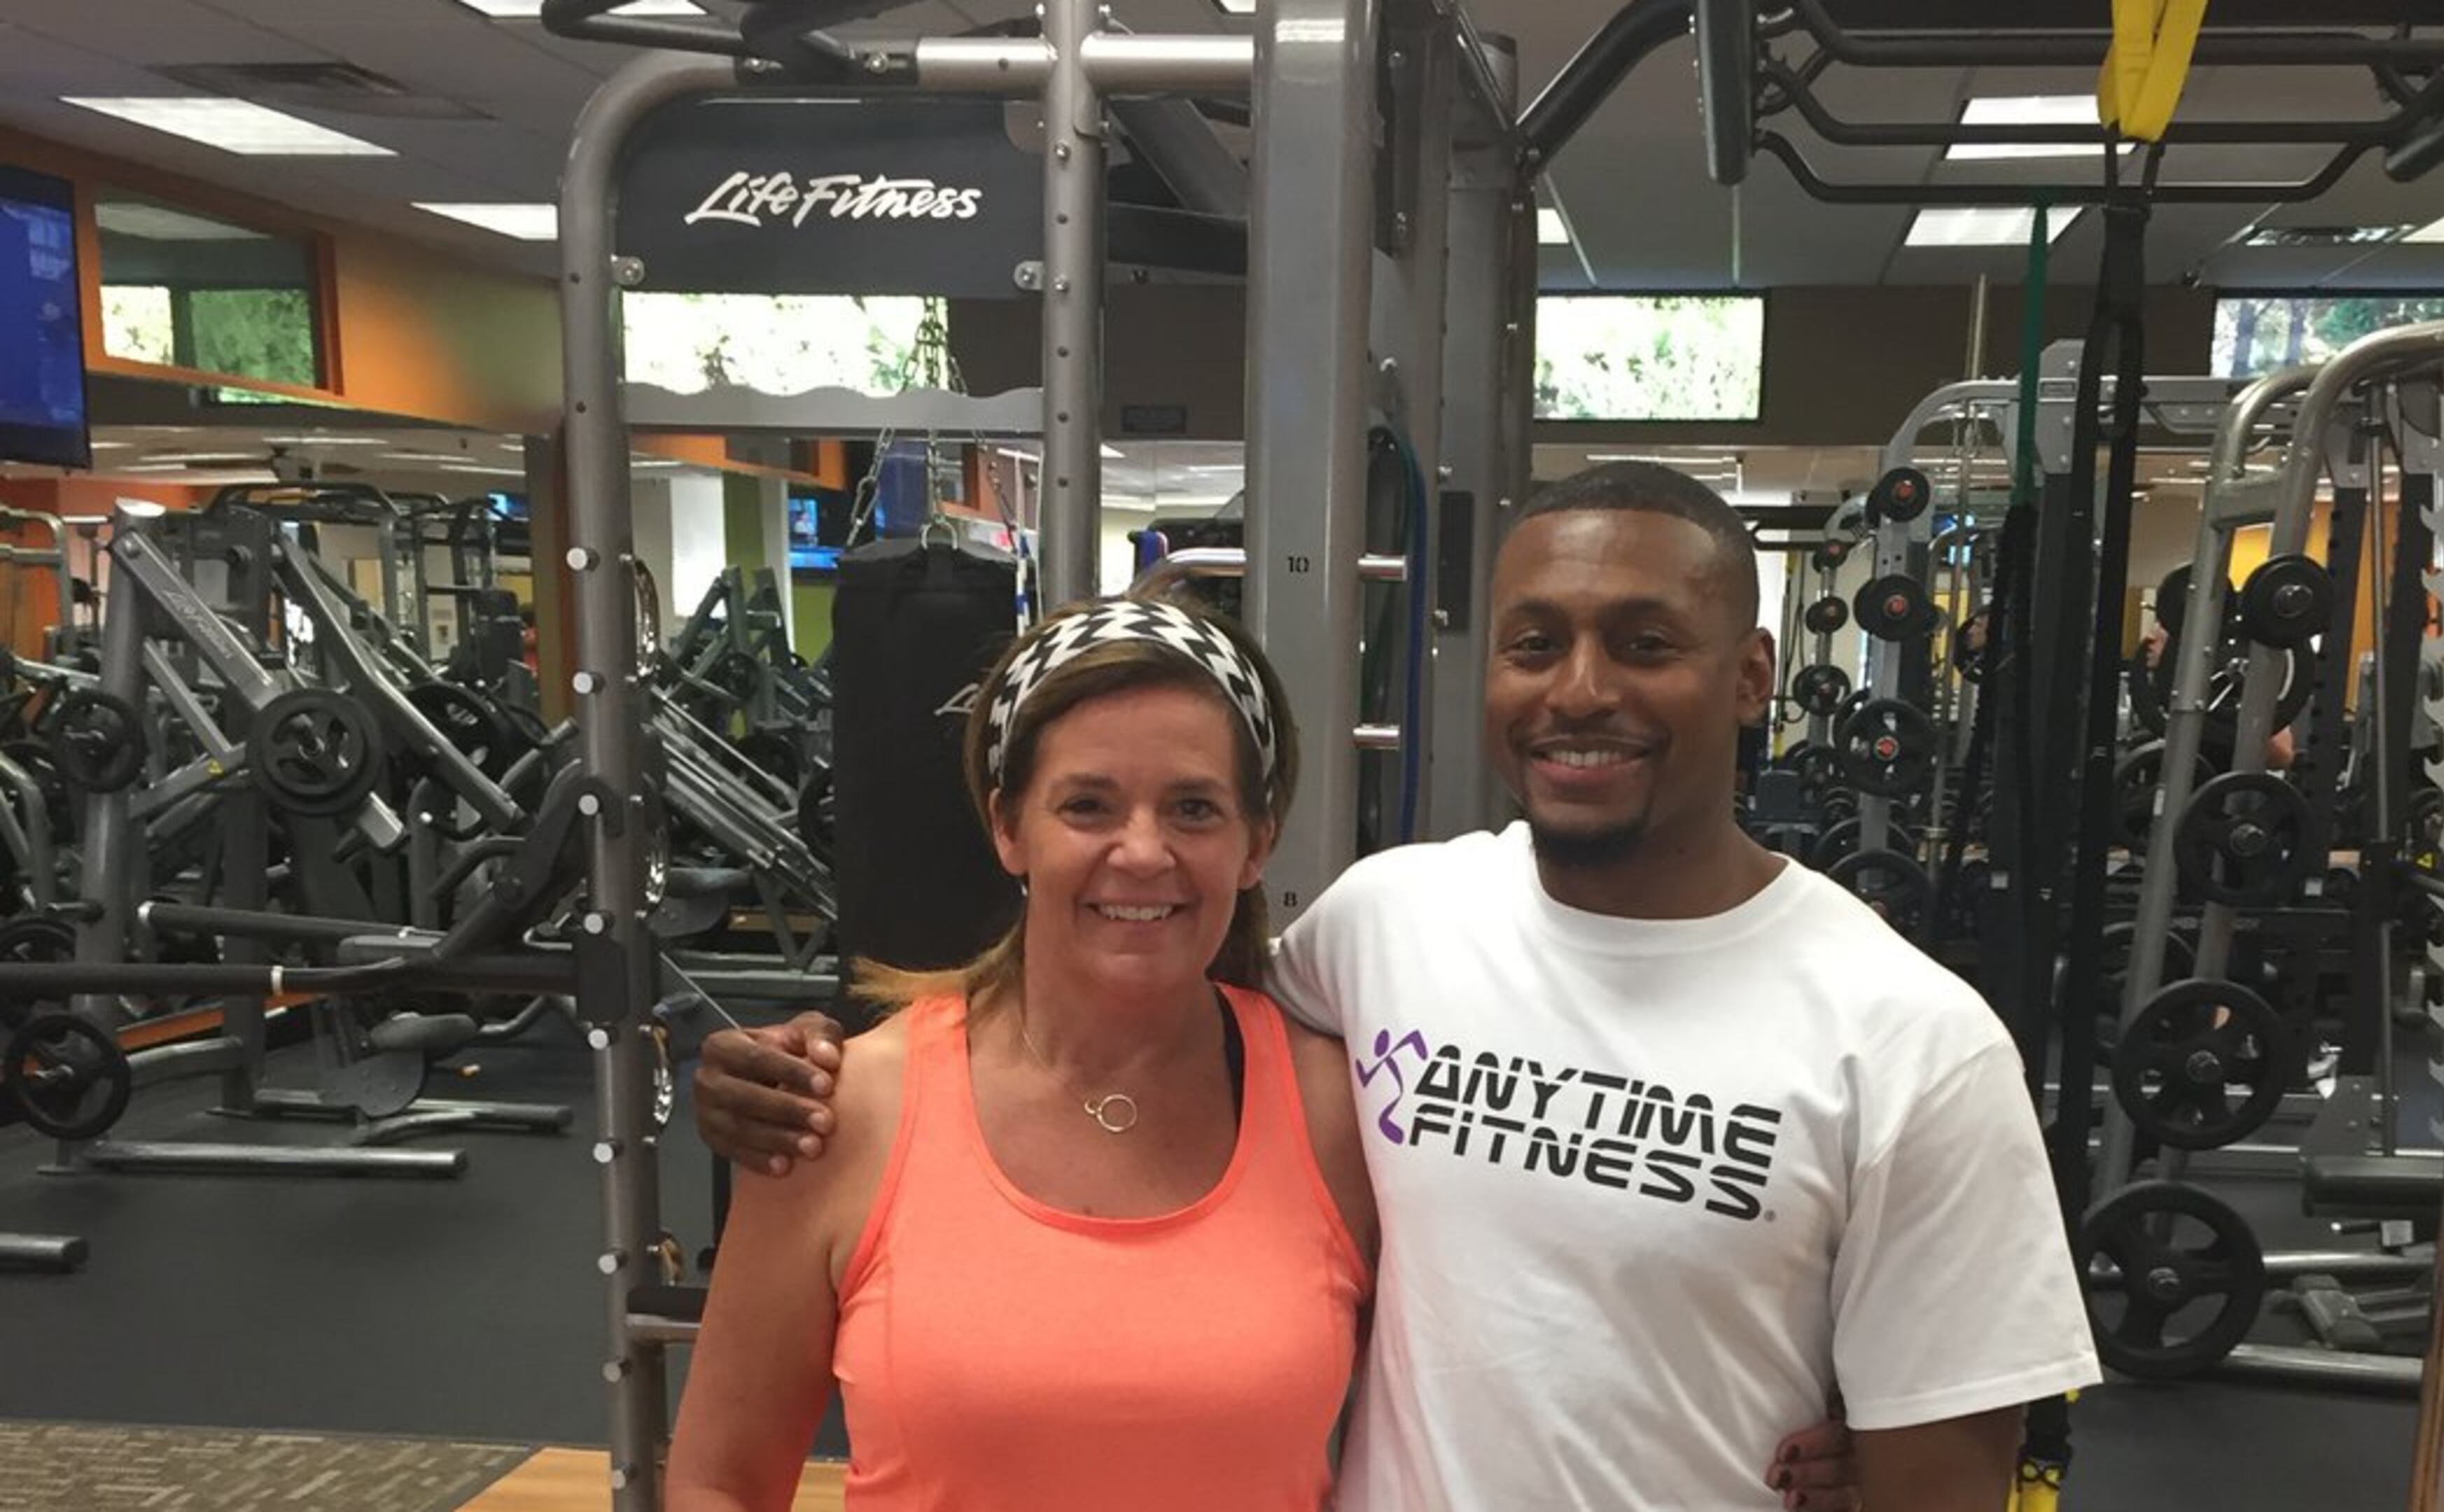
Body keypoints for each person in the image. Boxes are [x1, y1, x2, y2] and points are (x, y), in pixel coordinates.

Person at [702, 463, 2091, 1508]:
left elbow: (1949, 1465)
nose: (1581, 688)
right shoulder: (1391, 928)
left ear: (1750, 678)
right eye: (1537, 642)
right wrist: (774, 1075)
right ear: (1010, 828)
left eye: (1646, 644)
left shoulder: (1914, 1041)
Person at [666, 598, 1378, 1511]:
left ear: (1256, 842)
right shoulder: (843, 1112)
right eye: (1088, 806)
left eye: (1195, 809)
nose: (1143, 852)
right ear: (1010, 828)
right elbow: (718, 1480)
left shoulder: (1339, 1110)